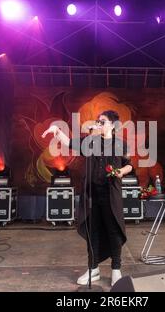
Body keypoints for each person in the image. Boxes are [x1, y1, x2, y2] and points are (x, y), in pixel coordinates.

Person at [42, 110, 133, 287]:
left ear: (112, 125)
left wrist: (121, 171)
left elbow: (129, 165)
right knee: (93, 231)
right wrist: (57, 131)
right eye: (97, 121)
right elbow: (70, 143)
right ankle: (93, 268)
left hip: (110, 194)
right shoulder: (91, 142)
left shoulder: (120, 144)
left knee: (114, 230)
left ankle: (116, 269)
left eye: (102, 122)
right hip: (92, 194)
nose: (98, 124)